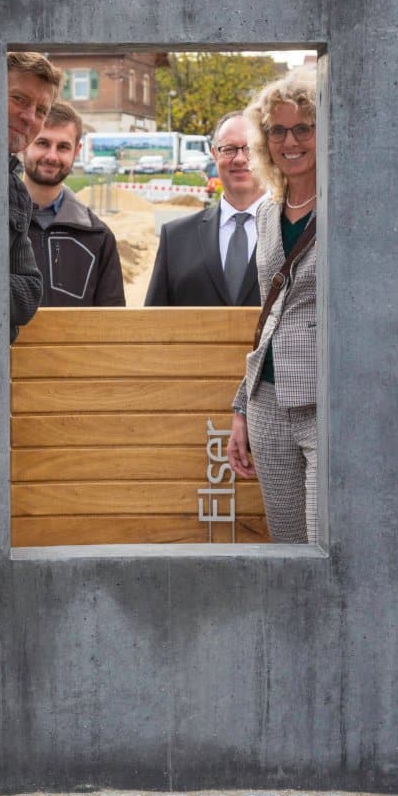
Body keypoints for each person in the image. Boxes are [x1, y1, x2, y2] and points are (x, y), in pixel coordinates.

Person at [225, 70, 320, 543]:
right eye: (277, 130)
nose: (290, 141)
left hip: (327, 404)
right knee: (288, 550)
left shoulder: (351, 208)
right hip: (267, 403)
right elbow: (269, 315)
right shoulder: (266, 211)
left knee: (328, 546)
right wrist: (241, 406)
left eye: (303, 128)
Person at [145, 110, 267, 307]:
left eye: (250, 148)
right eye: (228, 149)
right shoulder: (175, 238)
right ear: (214, 154)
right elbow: (152, 326)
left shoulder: (296, 235)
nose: (239, 158)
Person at [22, 101, 125, 306]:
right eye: (42, 143)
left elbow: (113, 324)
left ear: (76, 151)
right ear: (24, 142)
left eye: (63, 147)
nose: (52, 156)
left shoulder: (98, 237)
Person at [7, 51, 56, 339]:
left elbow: (29, 293)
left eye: (41, 110)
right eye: (19, 99)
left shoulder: (15, 192)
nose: (29, 117)